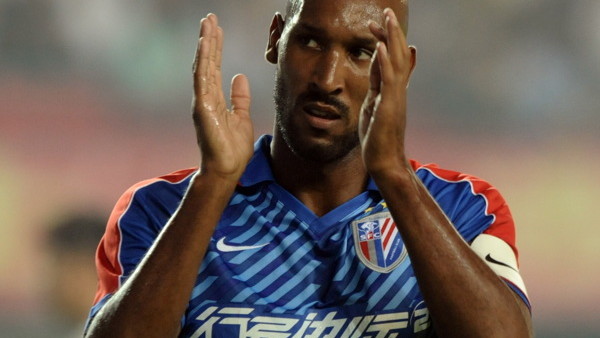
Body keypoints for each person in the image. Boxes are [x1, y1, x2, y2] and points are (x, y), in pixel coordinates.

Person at [85, 0, 532, 336]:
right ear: (275, 38)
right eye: (311, 41)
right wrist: (214, 184)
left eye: (361, 52)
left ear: (403, 67)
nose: (327, 78)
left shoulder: (466, 207)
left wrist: (394, 174)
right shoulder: (159, 208)